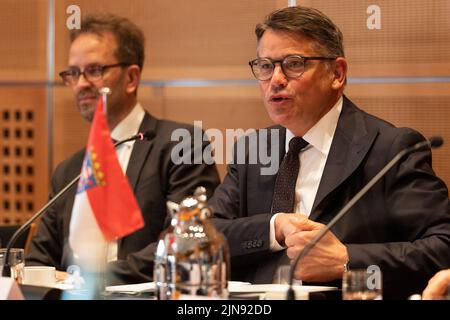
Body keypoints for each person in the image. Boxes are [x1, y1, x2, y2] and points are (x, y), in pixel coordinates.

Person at [210, 6, 450, 299]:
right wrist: (274, 229)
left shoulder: (391, 149)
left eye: (293, 63)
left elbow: (443, 247)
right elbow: (207, 237)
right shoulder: (253, 149)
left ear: (337, 73)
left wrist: (347, 260)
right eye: (265, 65)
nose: (275, 79)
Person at [26, 13, 220, 285]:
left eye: (94, 70)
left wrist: (90, 281)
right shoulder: (69, 171)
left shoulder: (180, 144)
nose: (81, 84)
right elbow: (38, 261)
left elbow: (184, 244)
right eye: (73, 73)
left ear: (131, 78)